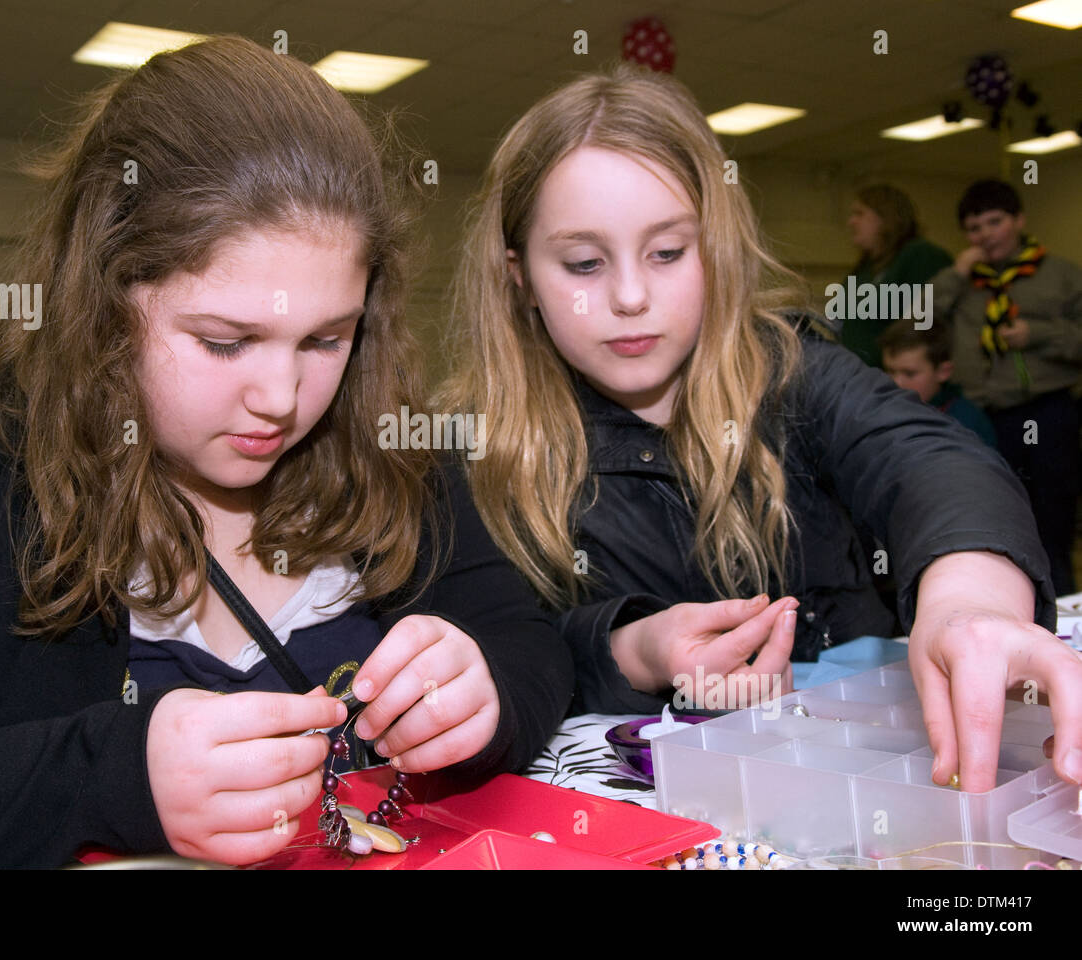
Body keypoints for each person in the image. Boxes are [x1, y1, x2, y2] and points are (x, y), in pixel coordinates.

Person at [0, 35, 572, 868]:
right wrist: (105, 776)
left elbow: (529, 646)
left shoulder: (383, 440)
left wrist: (483, 690)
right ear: (105, 295)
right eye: (227, 341)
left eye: (325, 339)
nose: (282, 397)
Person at [438, 64, 1082, 794]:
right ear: (519, 275)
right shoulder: (477, 454)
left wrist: (968, 604)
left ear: (715, 248)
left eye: (668, 252)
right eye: (584, 263)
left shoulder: (794, 372)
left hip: (856, 776)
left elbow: (930, 461)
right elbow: (499, 652)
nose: (629, 296)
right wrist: (632, 648)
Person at [932, 179, 1082, 597]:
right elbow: (917, 323)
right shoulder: (963, 285)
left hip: (1047, 413)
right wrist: (955, 275)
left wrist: (1040, 333)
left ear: (1019, 220)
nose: (986, 235)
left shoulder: (1061, 275)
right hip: (984, 417)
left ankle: (1065, 611)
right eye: (975, 228)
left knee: (1053, 522)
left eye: (995, 222)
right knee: (996, 522)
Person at [840, 184, 952, 369]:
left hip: (897, 380)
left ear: (885, 218)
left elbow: (926, 324)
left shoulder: (920, 256)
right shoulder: (865, 268)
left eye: (859, 214)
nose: (851, 222)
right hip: (856, 378)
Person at [879, 319, 997, 448]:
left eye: (909, 373)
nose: (896, 383)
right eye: (890, 371)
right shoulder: (880, 412)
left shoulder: (967, 425)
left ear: (943, 372)